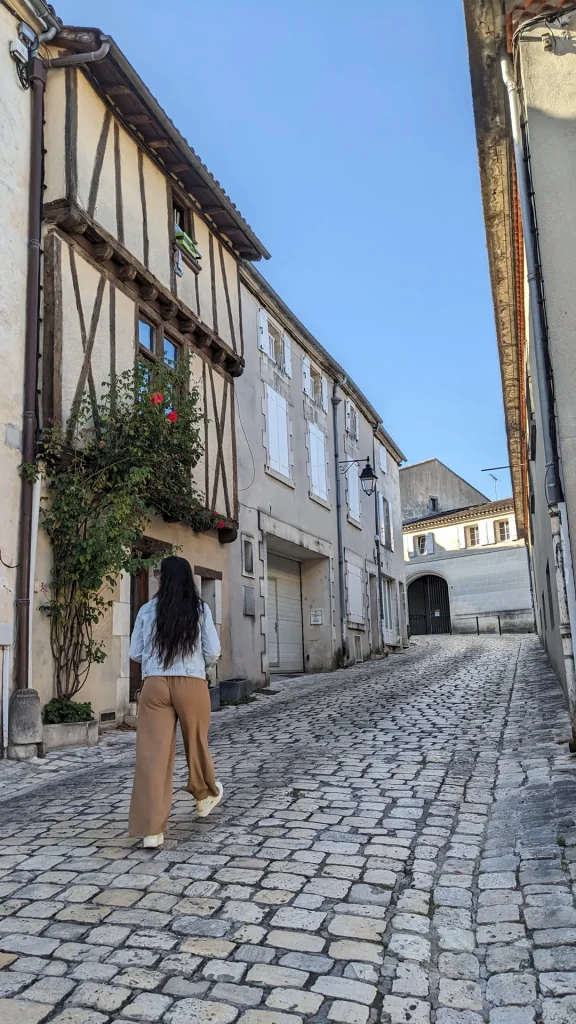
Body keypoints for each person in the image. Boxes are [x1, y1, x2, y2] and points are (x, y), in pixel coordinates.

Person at [128, 555, 223, 848]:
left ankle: (152, 831)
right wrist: (199, 668)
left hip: (154, 684)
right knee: (196, 741)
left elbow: (135, 652)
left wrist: (156, 667)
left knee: (151, 755)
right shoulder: (199, 609)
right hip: (192, 682)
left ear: (162, 579)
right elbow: (214, 651)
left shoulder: (147, 610)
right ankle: (205, 794)